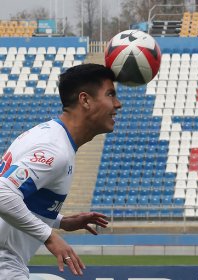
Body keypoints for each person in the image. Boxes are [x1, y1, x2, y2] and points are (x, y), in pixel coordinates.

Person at [0, 63, 122, 279]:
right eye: (110, 95)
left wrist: (61, 221)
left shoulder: (50, 135)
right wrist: (50, 237)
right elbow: (2, 193)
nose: (118, 104)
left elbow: (21, 196)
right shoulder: (55, 149)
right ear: (85, 100)